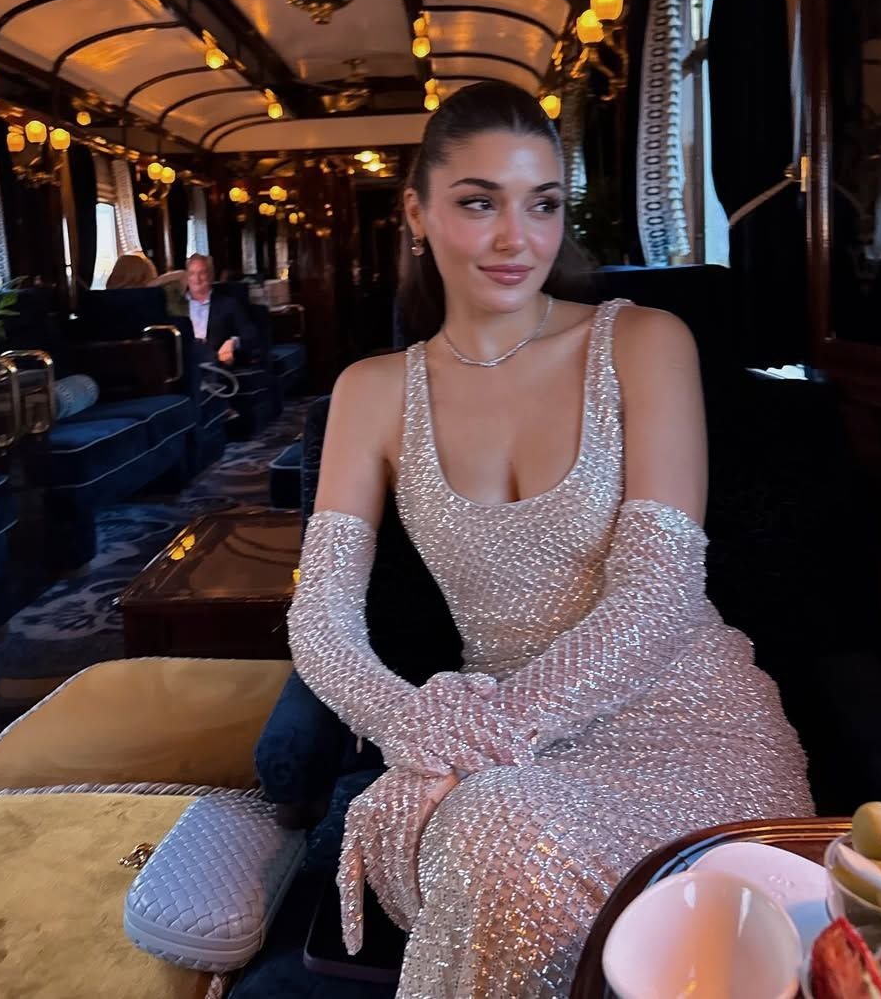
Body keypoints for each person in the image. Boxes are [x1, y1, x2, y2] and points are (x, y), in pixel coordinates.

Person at [287, 82, 812, 997]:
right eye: (478, 203)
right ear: (416, 213)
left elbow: (660, 590)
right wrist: (411, 724)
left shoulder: (645, 341)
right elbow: (320, 615)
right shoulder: (370, 391)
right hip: (497, 759)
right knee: (497, 830)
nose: (516, 239)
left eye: (543, 205)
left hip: (689, 719)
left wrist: (483, 732)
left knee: (507, 833)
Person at [185, 253, 257, 366]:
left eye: (202, 273)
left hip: (216, 365)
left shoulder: (228, 304)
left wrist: (233, 342)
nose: (197, 279)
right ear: (187, 277)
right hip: (184, 366)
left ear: (211, 276)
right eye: (192, 273)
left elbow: (251, 335)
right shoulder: (176, 306)